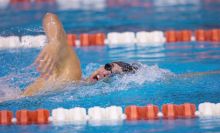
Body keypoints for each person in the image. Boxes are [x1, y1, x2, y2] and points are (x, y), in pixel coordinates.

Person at [22, 13, 220, 97]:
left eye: (112, 76)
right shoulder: (70, 75)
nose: (105, 74)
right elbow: (50, 16)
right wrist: (56, 41)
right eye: (108, 67)